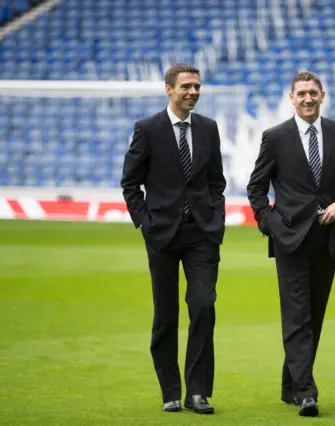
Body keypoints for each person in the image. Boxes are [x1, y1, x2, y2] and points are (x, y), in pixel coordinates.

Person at [246, 71, 335, 417]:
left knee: (314, 317)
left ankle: (289, 384)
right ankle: (306, 392)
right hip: (289, 239)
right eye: (301, 94)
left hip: (327, 239)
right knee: (297, 316)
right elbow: (256, 188)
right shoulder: (275, 137)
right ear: (291, 98)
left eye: (313, 93)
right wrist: (270, 224)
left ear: (322, 95)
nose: (308, 98)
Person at [120, 63, 226, 415]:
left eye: (197, 86)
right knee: (165, 316)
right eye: (186, 87)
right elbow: (130, 182)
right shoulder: (148, 129)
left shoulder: (209, 129)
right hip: (161, 234)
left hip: (202, 234)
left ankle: (198, 393)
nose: (193, 92)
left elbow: (216, 182)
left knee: (203, 306)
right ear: (169, 89)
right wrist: (144, 223)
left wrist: (216, 218)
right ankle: (170, 391)